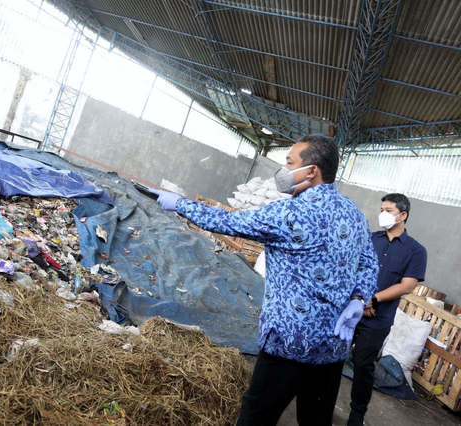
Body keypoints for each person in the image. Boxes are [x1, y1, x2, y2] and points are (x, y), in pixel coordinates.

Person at [149, 134, 378, 426]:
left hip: (288, 343)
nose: (283, 171)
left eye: (289, 163)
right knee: (316, 420)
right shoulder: (355, 215)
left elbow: (229, 223)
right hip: (332, 346)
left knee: (256, 416)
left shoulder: (290, 213)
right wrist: (359, 298)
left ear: (311, 170)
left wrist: (181, 204)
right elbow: (369, 264)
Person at [346, 193, 427, 426]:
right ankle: (321, 400)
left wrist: (373, 301)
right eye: (382, 208)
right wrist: (359, 300)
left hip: (378, 318)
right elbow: (354, 269)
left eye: (388, 210)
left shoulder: (416, 251)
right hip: (352, 309)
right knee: (332, 357)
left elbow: (407, 285)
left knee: (362, 363)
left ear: (403, 215)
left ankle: (357, 413)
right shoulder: (370, 239)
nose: (383, 213)